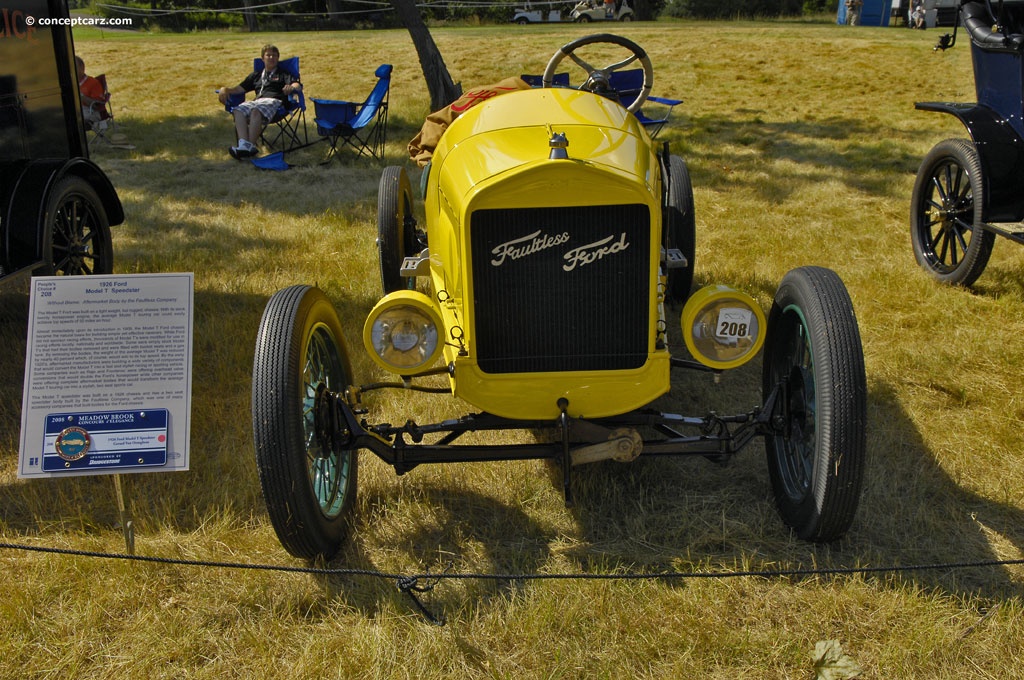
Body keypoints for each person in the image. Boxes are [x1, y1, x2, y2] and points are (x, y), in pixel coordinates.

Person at [217, 44, 302, 160]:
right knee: (238, 110)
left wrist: (291, 88)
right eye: (268, 55)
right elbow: (239, 89)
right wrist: (225, 89)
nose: (271, 58)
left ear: (278, 58)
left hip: (274, 102)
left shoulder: (283, 74)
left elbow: (296, 84)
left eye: (274, 55)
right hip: (257, 101)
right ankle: (243, 145)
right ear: (263, 58)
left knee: (255, 112)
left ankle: (250, 147)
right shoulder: (256, 75)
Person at [75, 56, 106, 127]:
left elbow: (97, 106)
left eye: (74, 67)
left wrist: (81, 96)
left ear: (82, 68)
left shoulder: (93, 83)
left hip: (91, 112)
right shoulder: (70, 83)